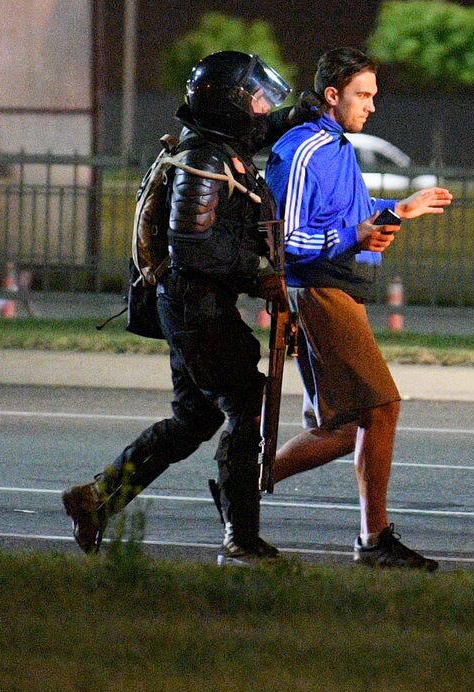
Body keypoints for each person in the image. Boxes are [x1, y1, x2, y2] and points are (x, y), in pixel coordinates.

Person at [62, 51, 319, 565]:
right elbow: (192, 246)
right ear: (229, 105)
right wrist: (258, 272)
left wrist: (299, 114)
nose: (264, 111)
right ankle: (241, 534)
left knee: (195, 417)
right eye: (257, 101)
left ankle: (95, 498)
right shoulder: (204, 162)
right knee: (245, 401)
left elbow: (258, 134)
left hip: (192, 307)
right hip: (195, 310)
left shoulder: (219, 145)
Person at [265, 46, 453, 570]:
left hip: (336, 286)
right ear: (332, 95)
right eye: (362, 95)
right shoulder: (304, 149)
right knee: (382, 408)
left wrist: (395, 212)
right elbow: (287, 239)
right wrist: (356, 235)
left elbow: (350, 216)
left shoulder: (336, 146)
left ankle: (243, 485)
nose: (371, 105)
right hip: (318, 289)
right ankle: (373, 541)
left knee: (346, 427)